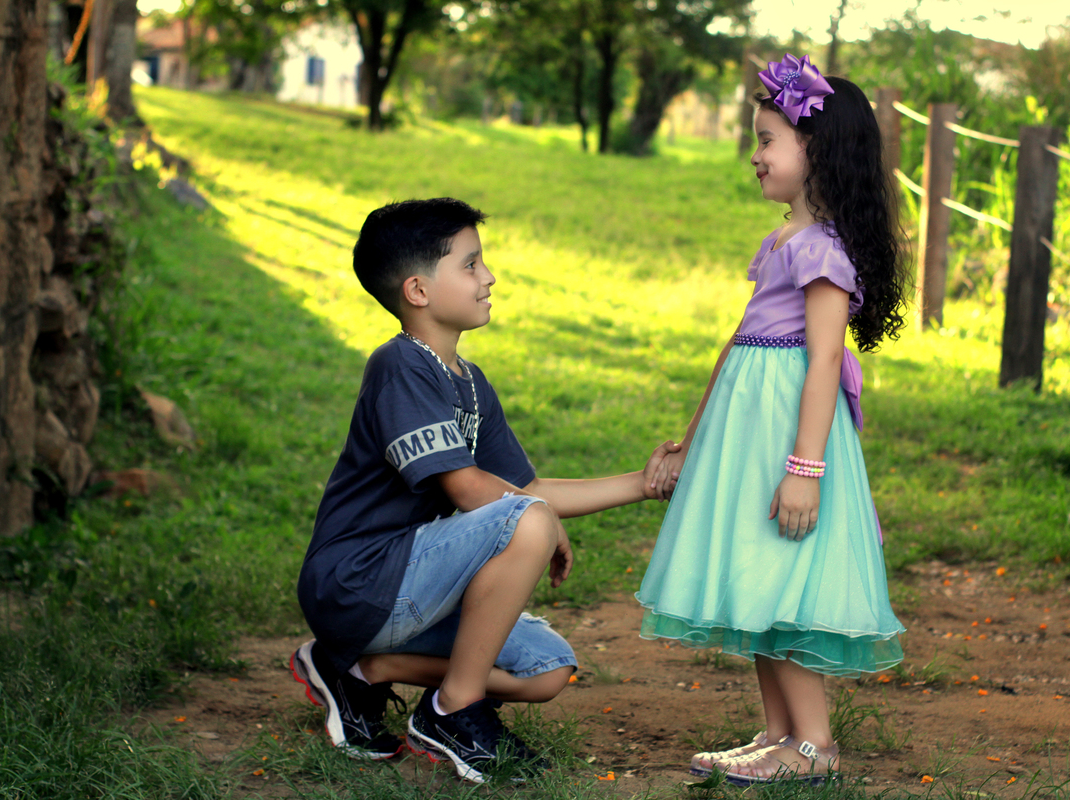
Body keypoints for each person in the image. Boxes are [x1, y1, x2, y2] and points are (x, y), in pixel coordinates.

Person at [292, 198, 676, 783]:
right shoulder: (399, 366)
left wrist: (647, 485)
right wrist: (534, 518)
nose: (489, 276)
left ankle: (364, 671)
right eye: (471, 265)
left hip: (415, 593)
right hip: (358, 585)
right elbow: (470, 488)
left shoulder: (470, 384)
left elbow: (530, 489)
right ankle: (452, 711)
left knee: (548, 671)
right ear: (418, 291)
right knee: (528, 518)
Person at [637, 53, 908, 787]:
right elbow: (737, 345)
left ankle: (815, 744)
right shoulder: (783, 241)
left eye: (766, 141)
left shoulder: (822, 250)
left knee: (781, 576)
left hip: (790, 439)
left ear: (814, 151)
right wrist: (693, 436)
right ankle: (779, 732)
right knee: (755, 572)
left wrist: (804, 469)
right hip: (747, 433)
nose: (755, 157)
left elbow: (823, 361)